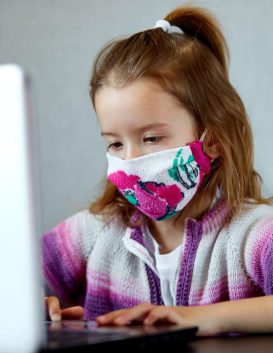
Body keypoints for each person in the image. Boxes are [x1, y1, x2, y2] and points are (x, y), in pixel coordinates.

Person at [43, 5, 273, 336]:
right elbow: (15, 277)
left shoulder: (252, 234)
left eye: (150, 138)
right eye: (115, 144)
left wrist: (204, 317)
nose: (131, 161)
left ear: (214, 140)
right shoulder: (94, 234)